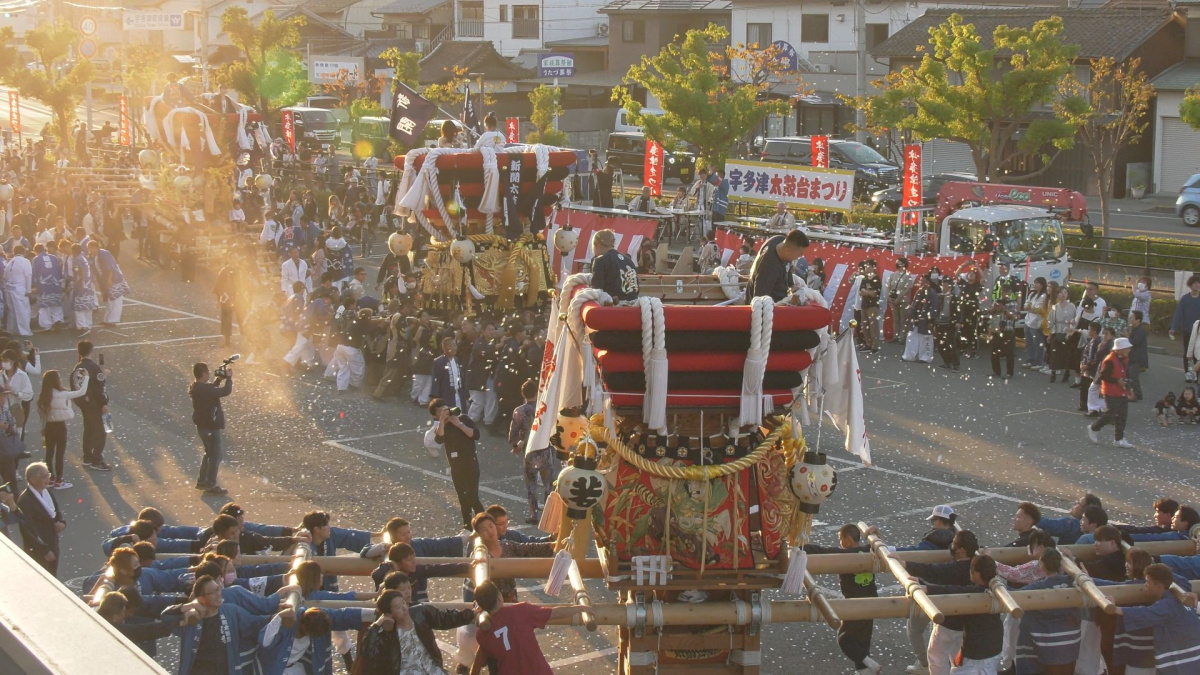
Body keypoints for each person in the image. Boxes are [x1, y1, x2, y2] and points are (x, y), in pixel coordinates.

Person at [163, 575, 292, 675]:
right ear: (201, 598)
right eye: (212, 592)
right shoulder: (191, 619)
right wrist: (189, 605)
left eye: (218, 589)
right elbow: (165, 617)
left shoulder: (231, 611)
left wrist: (276, 616)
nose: (218, 594)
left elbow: (254, 623)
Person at [804, 525, 883, 673]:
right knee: (862, 641)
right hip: (873, 602)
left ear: (848, 538)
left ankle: (871, 665)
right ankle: (864, 670)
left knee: (844, 639)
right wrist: (875, 534)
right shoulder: (869, 550)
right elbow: (880, 543)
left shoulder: (843, 554)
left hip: (855, 605)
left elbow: (820, 551)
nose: (840, 542)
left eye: (841, 539)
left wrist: (800, 547)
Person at [470, 579, 589, 675]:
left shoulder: (482, 634)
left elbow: (484, 659)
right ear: (499, 597)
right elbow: (555, 613)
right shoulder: (521, 610)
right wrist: (580, 608)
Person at [361, 588, 476, 674]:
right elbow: (367, 652)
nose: (404, 608)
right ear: (389, 613)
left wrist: (471, 613)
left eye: (403, 603)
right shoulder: (386, 633)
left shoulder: (419, 612)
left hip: (433, 670)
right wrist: (377, 625)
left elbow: (444, 618)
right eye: (398, 607)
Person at [921, 555, 1004, 675]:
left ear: (976, 573)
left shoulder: (975, 593)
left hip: (976, 653)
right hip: (994, 648)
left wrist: (927, 588)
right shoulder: (998, 591)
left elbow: (952, 590)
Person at [1112, 563, 1200, 674]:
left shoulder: (1167, 605)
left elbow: (1143, 613)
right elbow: (1182, 579)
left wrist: (1114, 608)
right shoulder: (1179, 594)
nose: (1145, 585)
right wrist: (1158, 570)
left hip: (1183, 665)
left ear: (1159, 586)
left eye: (1147, 582)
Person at [1014, 549, 1080, 675]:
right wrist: (1074, 562)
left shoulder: (1037, 587)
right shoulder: (1074, 581)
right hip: (1071, 640)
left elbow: (1012, 595)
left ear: (1042, 565)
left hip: (1048, 644)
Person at [430, 398, 483, 528]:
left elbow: (475, 435)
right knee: (463, 499)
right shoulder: (441, 427)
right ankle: (468, 526)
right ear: (435, 416)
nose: (446, 412)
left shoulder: (463, 419)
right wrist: (442, 421)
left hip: (471, 464)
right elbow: (439, 439)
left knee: (473, 497)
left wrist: (459, 424)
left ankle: (484, 522)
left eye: (446, 409)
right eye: (441, 412)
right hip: (456, 468)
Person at [509, 379, 554, 524]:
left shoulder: (519, 411)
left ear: (523, 394)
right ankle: (549, 514)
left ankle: (533, 514)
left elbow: (514, 431)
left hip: (529, 451)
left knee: (531, 484)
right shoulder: (545, 409)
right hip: (545, 449)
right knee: (548, 484)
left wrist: (516, 444)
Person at [36, 368, 88, 490]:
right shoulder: (63, 394)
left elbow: (42, 415)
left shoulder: (44, 396)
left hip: (48, 426)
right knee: (60, 453)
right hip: (60, 426)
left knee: (49, 453)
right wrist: (86, 378)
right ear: (55, 381)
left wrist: (43, 428)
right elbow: (81, 392)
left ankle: (50, 478)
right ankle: (59, 480)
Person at [190, 362, 233, 496]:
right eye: (207, 372)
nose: (209, 374)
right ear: (203, 374)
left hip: (202, 426)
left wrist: (219, 379)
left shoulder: (196, 387)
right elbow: (225, 391)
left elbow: (211, 390)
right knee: (215, 455)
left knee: (209, 453)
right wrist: (229, 378)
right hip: (210, 426)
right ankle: (211, 484)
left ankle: (203, 481)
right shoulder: (205, 389)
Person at [17, 462, 64, 575]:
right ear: (32, 480)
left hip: (52, 542)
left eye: (48, 474)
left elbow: (56, 511)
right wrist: (44, 550)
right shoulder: (25, 501)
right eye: (44, 477)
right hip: (38, 549)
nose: (48, 478)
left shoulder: (47, 492)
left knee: (53, 576)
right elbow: (28, 530)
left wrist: (61, 522)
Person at [1088, 336, 1134, 448]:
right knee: (1110, 414)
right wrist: (1117, 381)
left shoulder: (1123, 358)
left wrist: (1129, 388)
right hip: (1111, 392)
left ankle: (1119, 439)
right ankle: (1094, 427)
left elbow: (1126, 374)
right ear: (1119, 349)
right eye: (1127, 348)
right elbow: (1103, 375)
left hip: (1121, 391)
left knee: (1122, 416)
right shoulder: (1110, 360)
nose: (1129, 350)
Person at [745, 229, 810, 304]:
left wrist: (791, 284)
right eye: (798, 255)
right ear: (788, 250)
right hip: (769, 306)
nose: (797, 258)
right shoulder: (769, 266)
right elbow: (759, 298)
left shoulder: (779, 240)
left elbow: (787, 266)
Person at [72, 340, 110, 470]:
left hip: (83, 403)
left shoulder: (78, 367)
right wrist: (104, 402)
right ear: (91, 351)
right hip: (95, 404)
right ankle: (97, 459)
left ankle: (87, 456)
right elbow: (100, 387)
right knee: (100, 431)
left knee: (88, 430)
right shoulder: (95, 367)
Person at [87, 240, 130, 326]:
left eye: (90, 248)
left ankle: (113, 320)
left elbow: (111, 268)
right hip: (106, 281)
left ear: (95, 247)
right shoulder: (95, 256)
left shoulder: (104, 254)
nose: (89, 251)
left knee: (116, 299)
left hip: (114, 280)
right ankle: (108, 319)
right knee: (109, 300)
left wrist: (109, 280)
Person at [1170, 275, 1200, 382]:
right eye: (1195, 283)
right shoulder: (1185, 299)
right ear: (1190, 285)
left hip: (1199, 332)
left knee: (1198, 352)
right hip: (1187, 330)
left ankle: (1197, 374)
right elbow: (1179, 314)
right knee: (1187, 352)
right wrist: (1174, 327)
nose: (1197, 285)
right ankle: (1187, 372)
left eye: (1198, 283)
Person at [430, 336, 468, 413]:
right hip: (446, 395)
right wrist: (435, 398)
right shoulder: (439, 362)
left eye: (454, 345)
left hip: (458, 394)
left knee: (460, 417)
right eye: (450, 346)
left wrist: (465, 394)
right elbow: (436, 381)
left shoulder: (456, 360)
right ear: (444, 348)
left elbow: (460, 378)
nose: (453, 348)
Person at [32, 242, 65, 330]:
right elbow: (59, 270)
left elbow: (34, 273)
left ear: (36, 251)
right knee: (56, 304)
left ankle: (47, 325)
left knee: (45, 306)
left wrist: (34, 285)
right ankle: (57, 319)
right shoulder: (53, 257)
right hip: (55, 284)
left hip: (44, 285)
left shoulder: (36, 259)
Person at [4, 245, 32, 336]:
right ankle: (25, 331)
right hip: (19, 289)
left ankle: (11, 330)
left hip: (9, 288)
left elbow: (4, 276)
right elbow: (28, 275)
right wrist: (28, 289)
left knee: (12, 311)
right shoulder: (25, 261)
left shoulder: (10, 262)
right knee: (23, 310)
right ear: (23, 252)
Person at [69, 243, 97, 335]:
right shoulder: (84, 257)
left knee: (79, 306)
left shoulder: (76, 260)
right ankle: (88, 325)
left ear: (73, 251)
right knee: (88, 306)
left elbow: (77, 273)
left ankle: (82, 327)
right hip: (88, 285)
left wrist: (74, 283)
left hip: (81, 286)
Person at [888, 257, 916, 342]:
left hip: (904, 301)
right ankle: (895, 336)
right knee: (895, 319)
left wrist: (899, 298)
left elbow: (907, 289)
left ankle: (902, 336)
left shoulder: (908, 275)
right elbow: (889, 286)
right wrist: (889, 297)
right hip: (893, 300)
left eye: (898, 262)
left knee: (903, 319)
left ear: (903, 264)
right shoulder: (893, 274)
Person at [859, 260, 882, 352]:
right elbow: (860, 292)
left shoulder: (876, 278)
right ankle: (868, 344)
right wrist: (867, 292)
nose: (866, 268)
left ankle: (875, 346)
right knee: (864, 326)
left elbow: (875, 293)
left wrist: (866, 292)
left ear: (873, 267)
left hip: (873, 305)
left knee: (873, 326)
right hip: (864, 304)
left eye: (868, 266)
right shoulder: (864, 278)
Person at [1127, 309, 1149, 402]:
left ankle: (1135, 395)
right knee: (1130, 376)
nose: (1130, 319)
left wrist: (1127, 336)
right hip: (1132, 357)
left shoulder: (1140, 331)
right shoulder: (1134, 329)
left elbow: (1134, 342)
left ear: (1138, 320)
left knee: (1133, 377)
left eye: (1132, 318)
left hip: (1137, 358)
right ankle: (1135, 394)